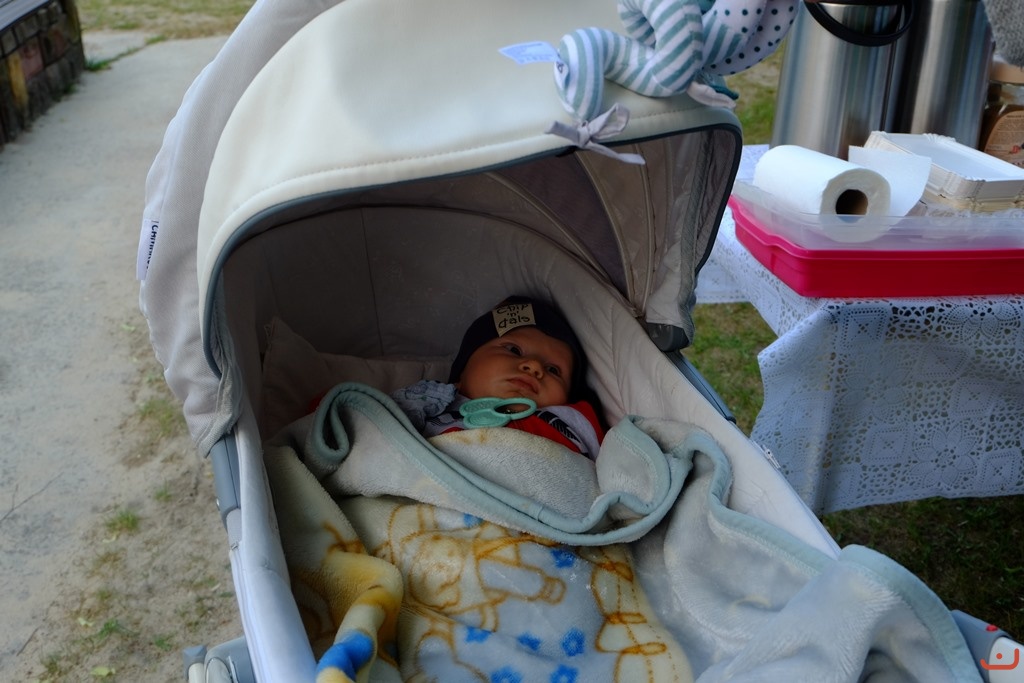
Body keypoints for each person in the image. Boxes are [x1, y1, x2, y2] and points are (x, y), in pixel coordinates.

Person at [392, 296, 605, 459]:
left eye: (553, 370)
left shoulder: (575, 421)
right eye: (513, 350)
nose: (534, 366)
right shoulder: (428, 402)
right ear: (463, 370)